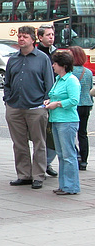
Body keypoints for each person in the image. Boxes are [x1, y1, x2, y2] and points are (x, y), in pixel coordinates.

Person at [4, 26, 55, 190]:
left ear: (33, 39)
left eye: (25, 36)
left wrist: (45, 102)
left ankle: (38, 176)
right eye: (19, 36)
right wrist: (7, 99)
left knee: (39, 142)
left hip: (36, 107)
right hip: (15, 106)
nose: (21, 39)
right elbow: (8, 83)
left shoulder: (42, 59)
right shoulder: (13, 59)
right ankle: (24, 175)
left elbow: (49, 83)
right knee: (19, 143)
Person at [43, 51, 80, 195]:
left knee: (68, 155)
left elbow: (74, 100)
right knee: (61, 154)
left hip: (67, 121)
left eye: (55, 64)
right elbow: (54, 95)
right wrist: (49, 101)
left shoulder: (71, 80)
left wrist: (57, 104)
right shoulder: (59, 79)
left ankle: (71, 186)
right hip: (56, 120)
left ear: (63, 66)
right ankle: (64, 185)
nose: (53, 66)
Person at [36, 24, 58, 177]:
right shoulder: (36, 54)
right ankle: (40, 164)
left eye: (52, 34)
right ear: (40, 37)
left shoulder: (56, 53)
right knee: (41, 136)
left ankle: (47, 162)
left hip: (55, 99)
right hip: (41, 100)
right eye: (48, 35)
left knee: (52, 135)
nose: (51, 37)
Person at [67, 46, 93, 170]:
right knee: (83, 133)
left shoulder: (69, 73)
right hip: (86, 105)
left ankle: (76, 155)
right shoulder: (87, 72)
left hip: (74, 105)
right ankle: (84, 161)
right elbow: (88, 89)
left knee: (70, 133)